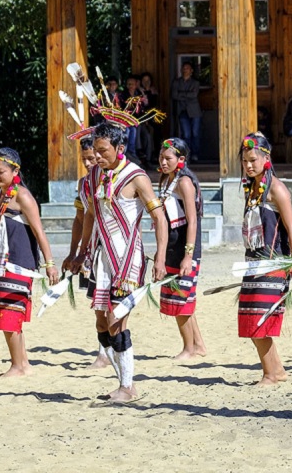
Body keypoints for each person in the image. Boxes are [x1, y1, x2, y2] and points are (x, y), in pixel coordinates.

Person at [74, 120, 169, 403]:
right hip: (102, 257)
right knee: (102, 323)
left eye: (104, 151)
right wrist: (81, 251)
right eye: (96, 151)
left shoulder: (136, 177)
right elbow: (89, 215)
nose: (99, 157)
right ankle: (121, 382)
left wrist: (160, 257)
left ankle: (128, 386)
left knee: (117, 320)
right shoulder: (93, 178)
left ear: (120, 148)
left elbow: (159, 218)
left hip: (128, 259)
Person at [238, 132, 292, 384]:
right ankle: (274, 371)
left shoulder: (276, 189)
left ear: (267, 158)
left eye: (253, 160)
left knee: (260, 320)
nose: (248, 165)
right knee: (250, 318)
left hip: (274, 263)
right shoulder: (252, 187)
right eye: (245, 161)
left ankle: (273, 372)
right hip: (254, 262)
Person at [0, 149, 59, 377]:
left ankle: (18, 366)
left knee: (10, 312)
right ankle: (22, 363)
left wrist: (50, 263)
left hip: (19, 262)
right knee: (2, 311)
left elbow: (38, 231)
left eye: (1, 172)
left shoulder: (23, 196)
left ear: (15, 171)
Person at [156, 138, 207, 360]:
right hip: (172, 247)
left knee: (181, 299)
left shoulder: (184, 182)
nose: (163, 162)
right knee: (181, 297)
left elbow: (193, 221)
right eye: (161, 157)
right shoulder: (167, 180)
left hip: (185, 249)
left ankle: (188, 348)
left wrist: (188, 256)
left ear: (181, 160)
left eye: (168, 158)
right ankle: (198, 345)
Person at [62, 136, 110, 369]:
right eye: (85, 159)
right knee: (96, 301)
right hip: (90, 250)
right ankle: (104, 351)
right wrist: (73, 252)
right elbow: (80, 219)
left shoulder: (112, 179)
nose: (89, 163)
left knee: (110, 300)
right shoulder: (83, 184)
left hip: (111, 248)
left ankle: (110, 351)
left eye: (92, 157)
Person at [171, 62, 203, 161]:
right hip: (182, 110)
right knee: (186, 134)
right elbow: (174, 95)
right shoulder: (176, 82)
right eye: (184, 68)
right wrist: (187, 94)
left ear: (191, 71)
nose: (185, 70)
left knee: (195, 133)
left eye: (187, 68)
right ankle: (187, 154)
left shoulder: (195, 82)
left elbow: (194, 95)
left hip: (194, 111)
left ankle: (195, 154)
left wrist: (181, 94)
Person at [121, 76, 148, 163]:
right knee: (131, 131)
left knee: (147, 134)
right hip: (126, 120)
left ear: (136, 85)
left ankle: (144, 157)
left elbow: (143, 107)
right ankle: (131, 154)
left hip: (138, 120)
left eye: (132, 84)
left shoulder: (138, 94)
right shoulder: (123, 95)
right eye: (129, 84)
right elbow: (122, 109)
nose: (130, 86)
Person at [138, 72, 159, 163]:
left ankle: (156, 154)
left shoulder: (153, 91)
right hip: (142, 117)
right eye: (144, 80)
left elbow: (154, 104)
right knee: (147, 132)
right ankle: (147, 155)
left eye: (148, 80)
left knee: (157, 130)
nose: (146, 82)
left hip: (152, 115)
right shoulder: (139, 91)